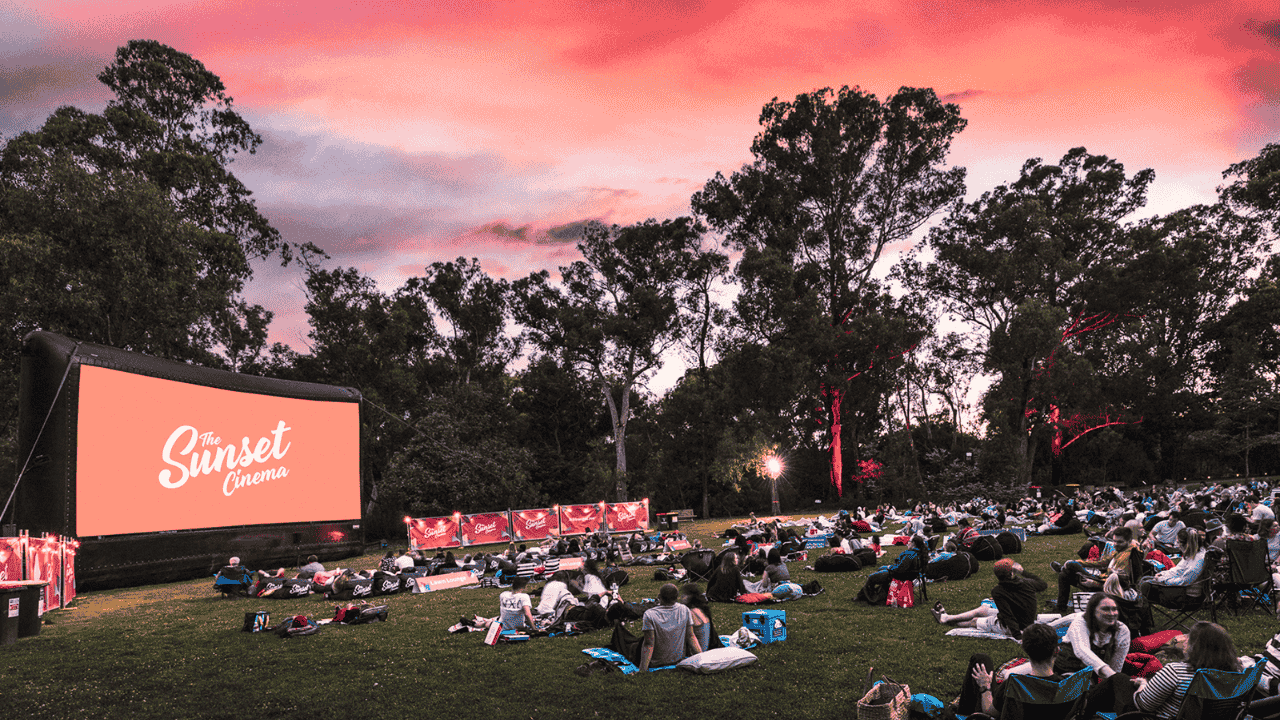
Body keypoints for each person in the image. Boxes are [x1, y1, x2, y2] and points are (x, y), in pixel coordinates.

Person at [1133, 621, 1241, 719]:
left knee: (1121, 682)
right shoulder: (1236, 675)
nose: (1185, 640)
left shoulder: (1175, 672)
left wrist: (1143, 684)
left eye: (1189, 637)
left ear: (1197, 647)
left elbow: (1144, 706)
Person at [963, 624, 1063, 717]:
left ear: (1025, 650)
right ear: (1057, 650)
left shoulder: (1014, 685)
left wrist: (985, 687)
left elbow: (990, 712)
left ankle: (960, 713)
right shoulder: (1067, 685)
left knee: (980, 659)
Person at [933, 558, 1047, 638]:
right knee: (982, 610)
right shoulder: (1027, 583)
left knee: (974, 621)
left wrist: (1017, 635)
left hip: (1016, 626)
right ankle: (947, 618)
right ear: (1012, 574)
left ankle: (947, 621)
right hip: (1021, 619)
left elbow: (1008, 615)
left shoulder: (998, 591)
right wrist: (1023, 572)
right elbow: (1043, 585)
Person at [1052, 526, 1139, 614]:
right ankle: (1060, 606)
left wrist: (1094, 584)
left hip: (1102, 584)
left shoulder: (1126, 557)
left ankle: (1061, 607)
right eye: (1114, 541)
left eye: (1119, 542)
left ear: (1129, 541)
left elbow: (1118, 584)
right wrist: (1081, 563)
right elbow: (1104, 563)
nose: (1115, 544)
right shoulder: (1122, 549)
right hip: (1101, 578)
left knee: (1067, 571)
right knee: (1067, 571)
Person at [1057, 593, 1131, 679]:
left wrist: (1113, 680)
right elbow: (1082, 651)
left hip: (1093, 675)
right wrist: (1110, 674)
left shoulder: (1122, 630)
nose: (1111, 613)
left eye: (1114, 609)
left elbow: (1117, 665)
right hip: (1065, 670)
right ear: (1093, 610)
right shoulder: (1080, 623)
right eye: (1105, 609)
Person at [639, 583, 701, 671]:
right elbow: (691, 636)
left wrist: (642, 670)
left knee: (630, 643)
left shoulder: (649, 614)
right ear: (677, 597)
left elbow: (649, 644)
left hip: (656, 662)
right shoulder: (685, 610)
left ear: (659, 596)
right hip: (677, 659)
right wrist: (702, 658)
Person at [679, 583, 716, 654]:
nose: (682, 597)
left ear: (692, 597)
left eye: (685, 594)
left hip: (697, 652)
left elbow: (689, 636)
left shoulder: (691, 613)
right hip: (705, 648)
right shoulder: (701, 609)